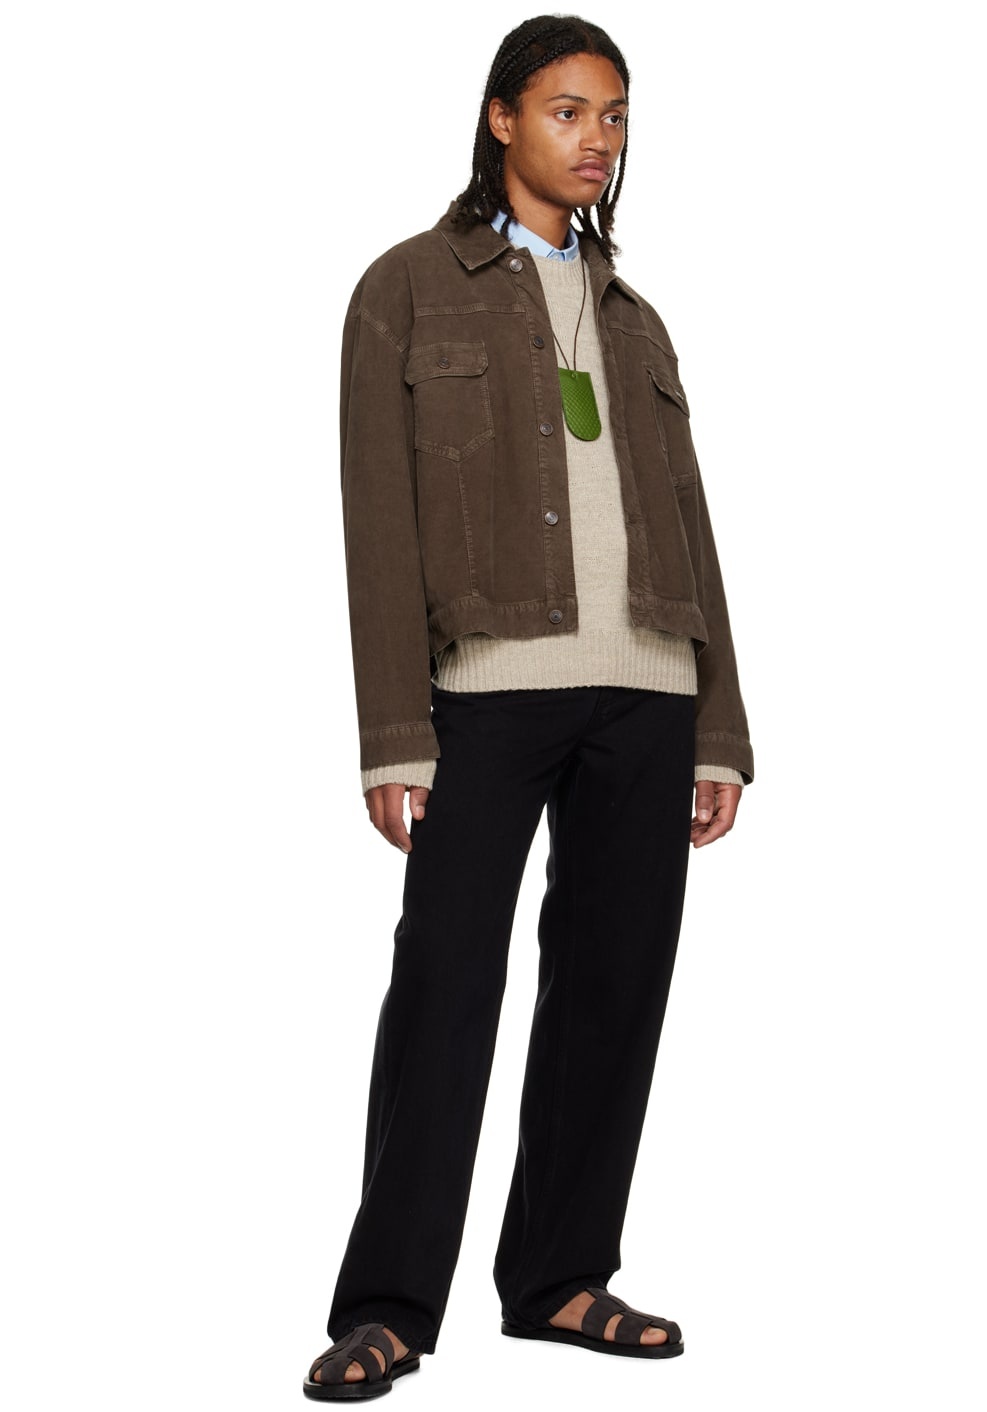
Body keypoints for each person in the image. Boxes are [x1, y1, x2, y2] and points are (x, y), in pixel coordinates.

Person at [304, 14, 754, 1400]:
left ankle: (561, 1278)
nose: (597, 139)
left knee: (614, 994)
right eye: (569, 111)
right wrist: (394, 731)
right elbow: (377, 522)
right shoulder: (406, 289)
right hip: (484, 696)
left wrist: (720, 726)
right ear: (502, 118)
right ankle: (388, 1306)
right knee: (446, 989)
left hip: (649, 692)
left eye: (614, 116)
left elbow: (692, 524)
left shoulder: (636, 317)